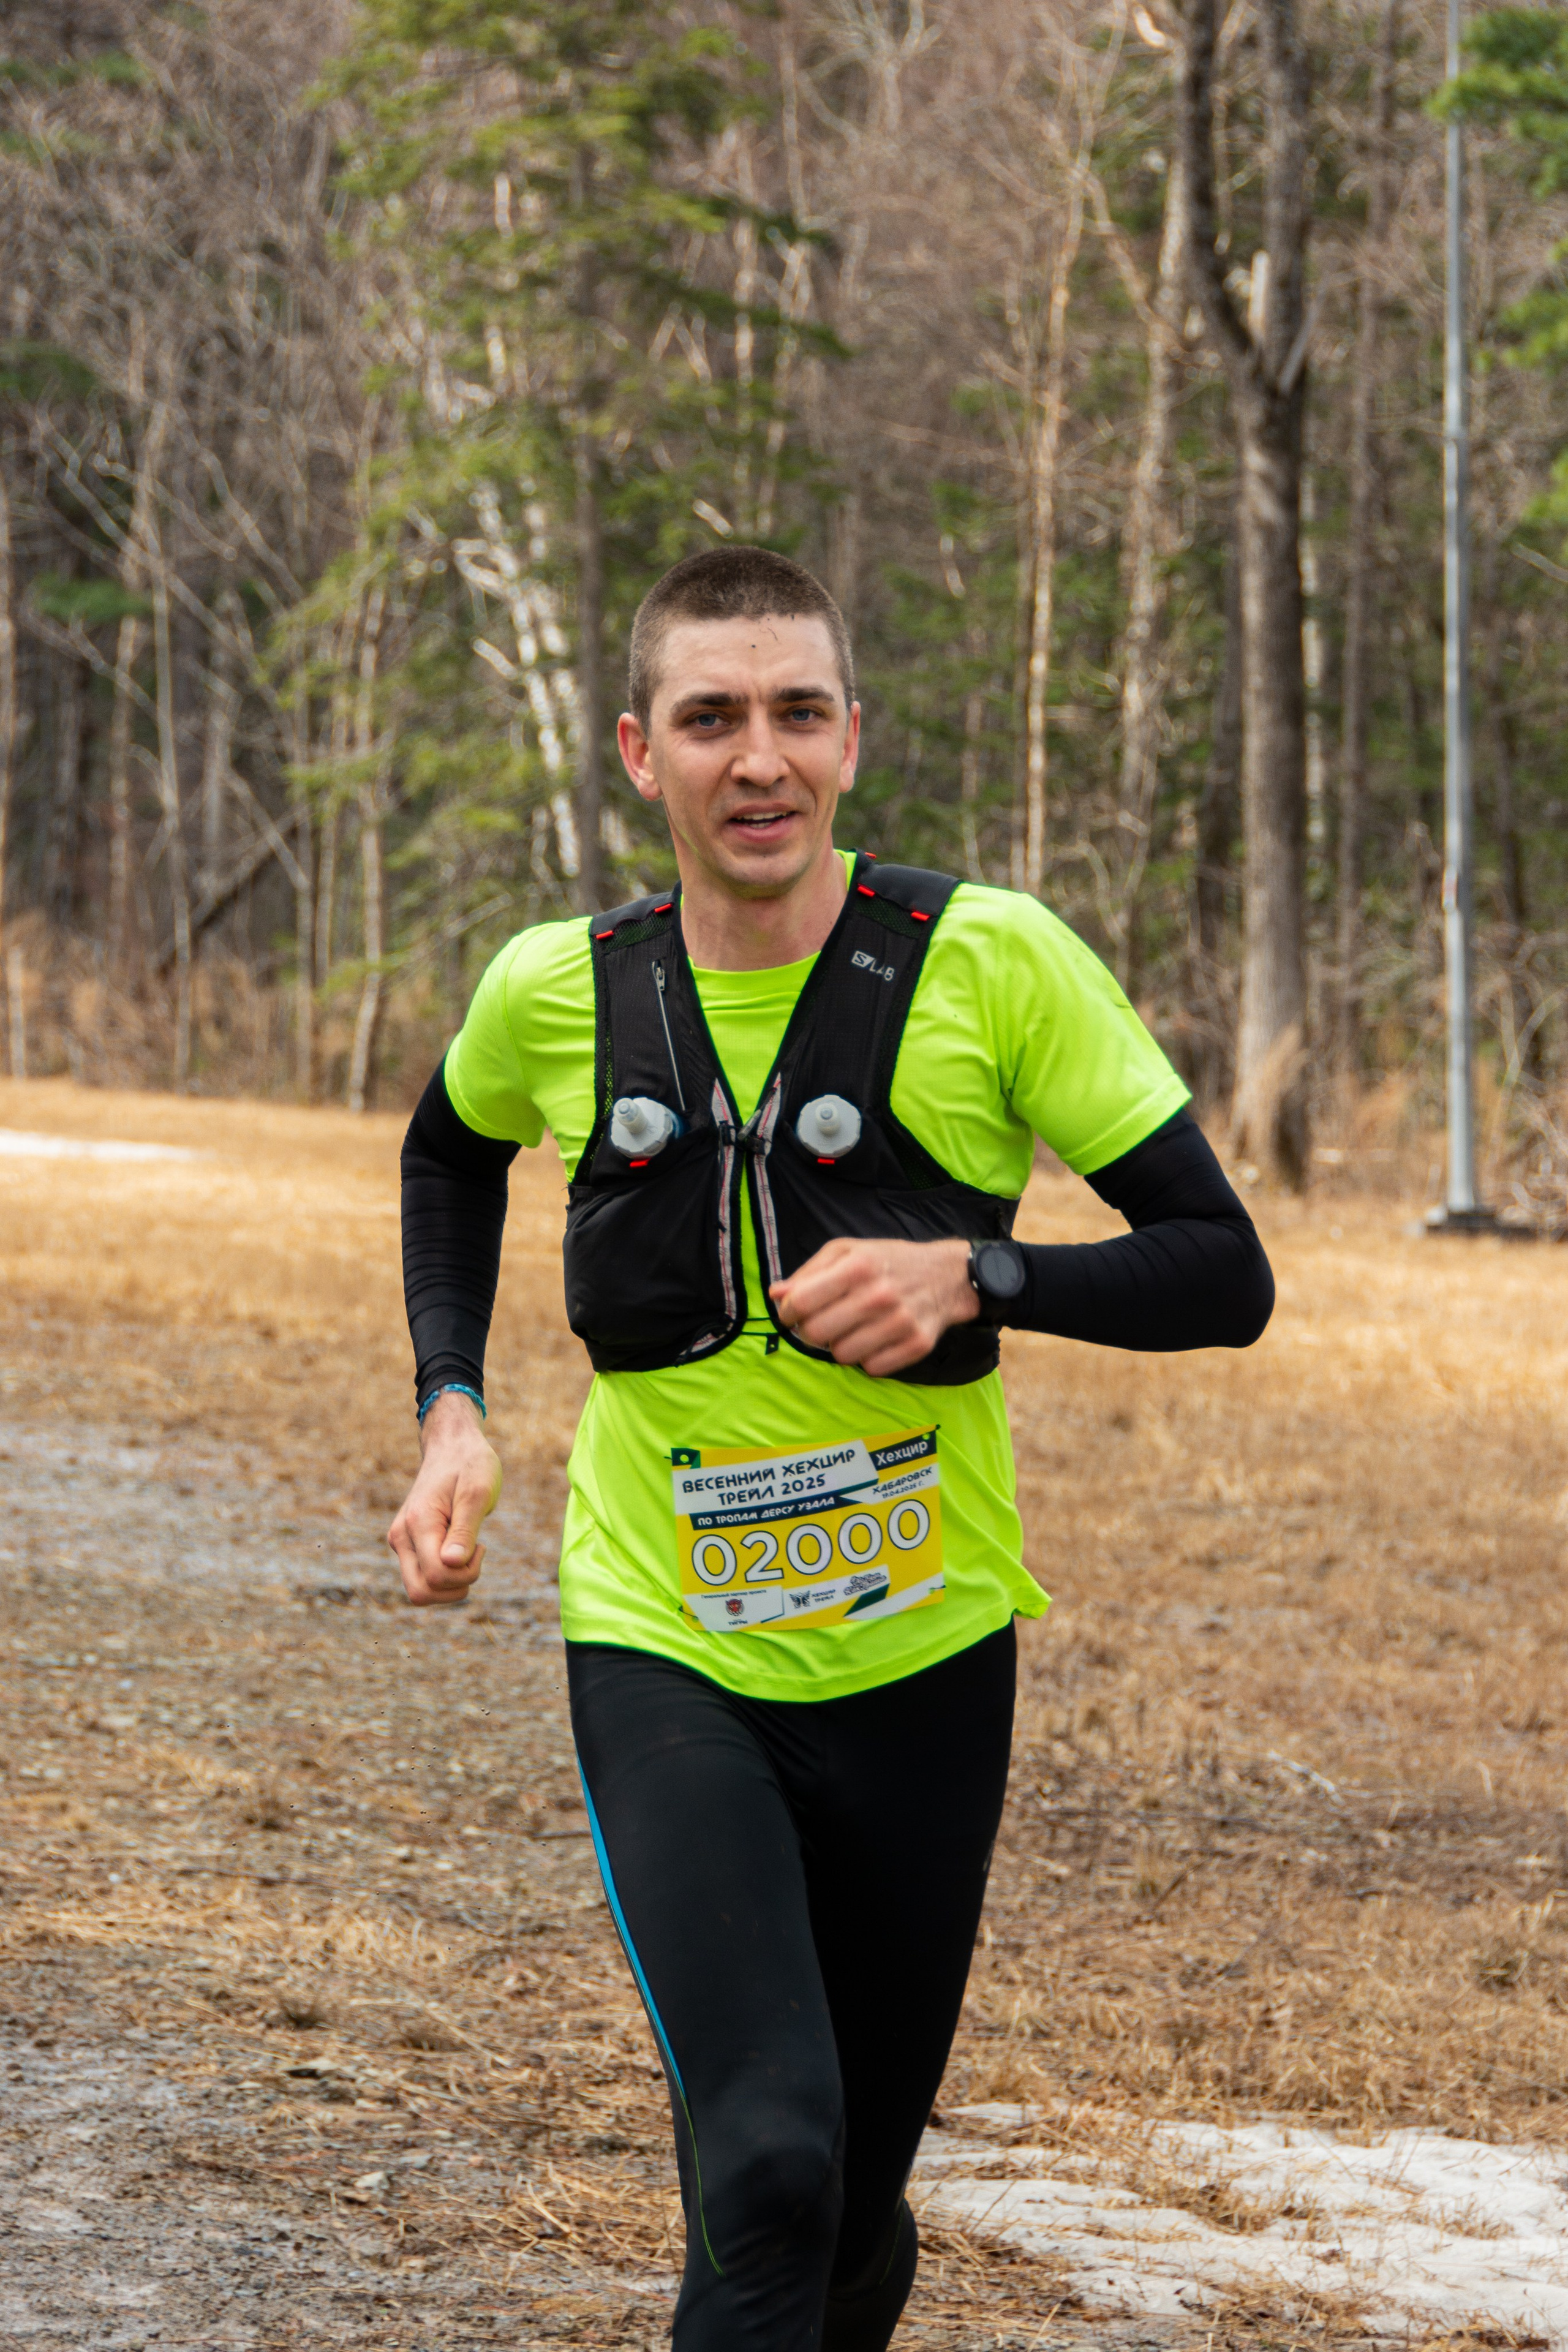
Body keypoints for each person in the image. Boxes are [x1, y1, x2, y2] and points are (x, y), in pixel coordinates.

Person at [389, 546, 1274, 2352]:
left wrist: (987, 1273)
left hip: (926, 1657)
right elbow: (447, 1151)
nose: (758, 757)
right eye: (711, 718)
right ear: (641, 753)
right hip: (666, 1646)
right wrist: (452, 1400)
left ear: (852, 738)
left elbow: (1227, 1272)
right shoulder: (562, 988)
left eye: (797, 711)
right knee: (770, 2161)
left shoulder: (995, 964)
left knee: (850, 2201)